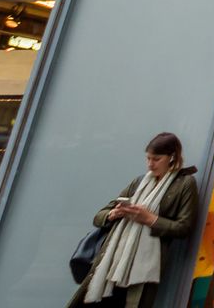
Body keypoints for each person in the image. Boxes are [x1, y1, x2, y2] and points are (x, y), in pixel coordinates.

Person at [67, 132, 201, 308]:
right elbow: (99, 216)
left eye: (156, 159)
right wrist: (113, 214)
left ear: (172, 157)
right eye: (148, 158)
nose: (150, 164)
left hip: (141, 270)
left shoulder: (185, 184)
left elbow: (184, 227)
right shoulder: (139, 182)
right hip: (110, 263)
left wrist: (150, 219)